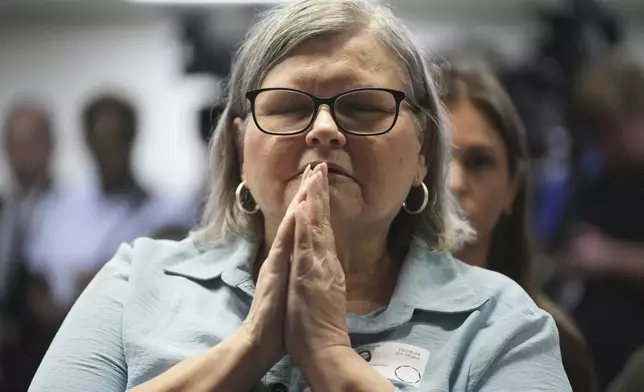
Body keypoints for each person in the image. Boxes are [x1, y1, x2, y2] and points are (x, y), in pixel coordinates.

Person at [28, 1, 572, 391]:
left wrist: (332, 359)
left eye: (363, 107)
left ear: (423, 152)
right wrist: (250, 347)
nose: (324, 130)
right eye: (289, 107)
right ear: (241, 145)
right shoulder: (136, 282)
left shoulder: (501, 322)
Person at [440, 65, 598, 391]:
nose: (454, 183)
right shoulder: (359, 318)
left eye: (479, 162)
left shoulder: (548, 338)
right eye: (437, 158)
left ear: (513, 187)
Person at [25, 94, 188, 311]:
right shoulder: (58, 208)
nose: (109, 150)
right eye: (101, 141)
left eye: (117, 139)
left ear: (132, 138)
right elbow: (38, 281)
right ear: (87, 141)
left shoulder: (165, 212)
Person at [557, 52, 644, 389]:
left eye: (610, 126)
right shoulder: (603, 182)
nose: (603, 141)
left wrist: (609, 257)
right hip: (596, 356)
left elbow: (602, 254)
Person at [0, 102, 60, 391]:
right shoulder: (5, 206)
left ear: (51, 146)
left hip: (48, 350)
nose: (22, 153)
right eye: (14, 142)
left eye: (32, 142)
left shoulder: (71, 207)